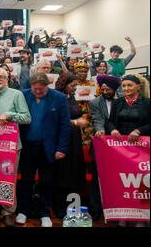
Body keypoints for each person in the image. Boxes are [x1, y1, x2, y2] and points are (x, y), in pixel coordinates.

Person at [16, 73, 71, 227]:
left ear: (47, 86)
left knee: (47, 181)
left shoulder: (59, 98)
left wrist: (62, 148)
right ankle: (23, 211)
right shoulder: (23, 95)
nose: (38, 92)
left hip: (49, 148)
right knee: (26, 180)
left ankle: (45, 213)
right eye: (35, 89)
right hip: (27, 146)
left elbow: (65, 126)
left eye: (41, 89)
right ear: (31, 86)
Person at [0, 68, 31, 227]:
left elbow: (26, 117)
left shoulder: (16, 94)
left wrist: (10, 115)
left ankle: (8, 211)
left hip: (10, 146)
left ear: (7, 79)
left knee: (7, 178)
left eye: (2, 77)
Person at [105, 74, 150, 227]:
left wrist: (139, 130)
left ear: (138, 86)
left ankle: (142, 218)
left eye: (130, 85)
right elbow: (109, 121)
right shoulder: (117, 103)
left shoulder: (148, 103)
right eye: (124, 86)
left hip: (142, 150)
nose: (126, 89)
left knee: (141, 183)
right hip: (120, 150)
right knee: (122, 182)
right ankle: (123, 215)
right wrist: (112, 130)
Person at [53, 72, 89, 219]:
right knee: (62, 174)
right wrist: (75, 122)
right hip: (61, 140)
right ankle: (58, 207)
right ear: (64, 84)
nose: (75, 88)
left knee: (72, 173)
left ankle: (70, 205)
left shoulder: (71, 97)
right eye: (72, 85)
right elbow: (53, 121)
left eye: (76, 85)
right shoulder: (56, 97)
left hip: (74, 140)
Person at [89, 74, 122, 220]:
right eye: (103, 89)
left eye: (108, 89)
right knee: (97, 178)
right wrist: (99, 130)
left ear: (114, 89)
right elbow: (97, 119)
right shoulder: (94, 102)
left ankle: (118, 209)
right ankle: (96, 210)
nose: (105, 92)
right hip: (101, 143)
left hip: (120, 145)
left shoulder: (122, 100)